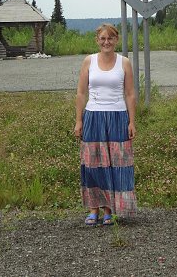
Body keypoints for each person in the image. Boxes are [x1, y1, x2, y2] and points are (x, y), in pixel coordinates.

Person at [74, 23, 137, 225]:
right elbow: (81, 93)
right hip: (93, 116)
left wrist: (132, 121)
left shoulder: (124, 62)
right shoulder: (88, 61)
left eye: (110, 38)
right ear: (97, 40)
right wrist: (78, 120)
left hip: (118, 117)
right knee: (93, 164)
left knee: (115, 164)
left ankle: (109, 210)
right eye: (103, 38)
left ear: (116, 40)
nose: (106, 42)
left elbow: (130, 94)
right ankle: (94, 209)